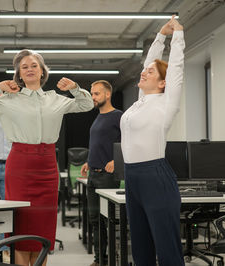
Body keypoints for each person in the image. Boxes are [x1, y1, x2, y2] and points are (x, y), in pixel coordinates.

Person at [0, 49, 93, 266]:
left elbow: (87, 104)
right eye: (24, 67)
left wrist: (75, 88)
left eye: (34, 65)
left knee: (43, 228)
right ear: (19, 74)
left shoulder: (56, 99)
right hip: (20, 166)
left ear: (43, 71)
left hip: (47, 166)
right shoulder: (8, 99)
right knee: (22, 226)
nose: (29, 69)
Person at [120, 16, 185, 266]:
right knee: (141, 249)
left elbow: (176, 68)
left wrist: (177, 35)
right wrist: (160, 35)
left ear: (162, 83)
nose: (144, 72)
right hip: (132, 177)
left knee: (167, 250)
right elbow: (149, 62)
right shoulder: (140, 101)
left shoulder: (166, 103)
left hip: (155, 177)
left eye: (151, 72)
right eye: (144, 71)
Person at [80, 80, 122, 266]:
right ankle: (100, 260)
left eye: (97, 94)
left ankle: (111, 258)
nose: (93, 97)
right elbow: (99, 144)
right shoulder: (97, 117)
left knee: (107, 221)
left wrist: (116, 161)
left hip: (107, 177)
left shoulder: (118, 116)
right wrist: (88, 161)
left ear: (107, 94)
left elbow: (129, 142)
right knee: (95, 221)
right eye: (92, 94)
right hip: (93, 175)